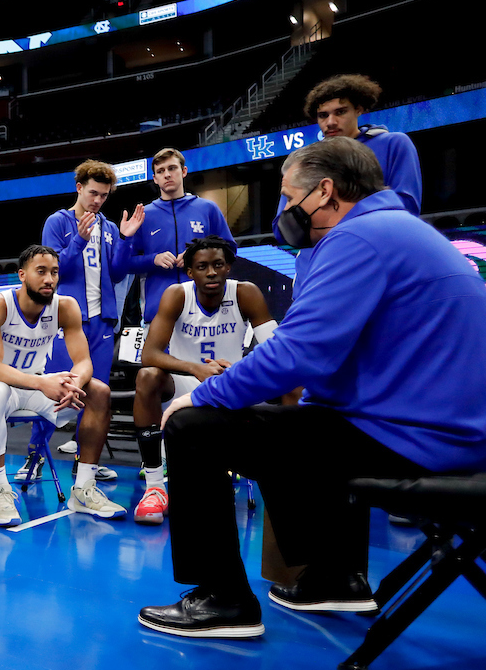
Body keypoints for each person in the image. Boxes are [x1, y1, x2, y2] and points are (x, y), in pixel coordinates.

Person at [137, 138, 486, 640]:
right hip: (454, 436)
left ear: (325, 192)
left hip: (416, 441)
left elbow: (298, 353)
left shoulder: (357, 238)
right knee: (300, 423)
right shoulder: (405, 230)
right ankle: (333, 576)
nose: (283, 209)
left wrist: (203, 394)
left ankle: (223, 598)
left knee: (194, 427)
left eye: (287, 196)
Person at [0, 245, 124, 527]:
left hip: (35, 386)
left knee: (99, 392)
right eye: (41, 272)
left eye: (54, 272)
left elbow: (83, 362)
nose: (49, 279)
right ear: (22, 275)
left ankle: (83, 488)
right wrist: (42, 383)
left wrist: (75, 383)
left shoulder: (65, 306)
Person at [131, 236, 277, 526]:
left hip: (231, 385)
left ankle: (292, 476)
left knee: (291, 384)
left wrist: (239, 369)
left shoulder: (246, 293)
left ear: (228, 268)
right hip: (185, 384)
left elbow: (276, 350)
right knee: (147, 377)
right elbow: (149, 354)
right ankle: (155, 489)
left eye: (218, 265)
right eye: (202, 266)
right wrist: (194, 368)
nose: (211, 272)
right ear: (190, 272)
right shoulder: (177, 294)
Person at [37, 159, 144, 482]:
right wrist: (79, 240)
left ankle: (88, 462)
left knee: (97, 393)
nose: (98, 201)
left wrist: (125, 239)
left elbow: (117, 273)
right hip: (68, 322)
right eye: (93, 193)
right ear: (79, 188)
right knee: (52, 390)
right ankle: (35, 454)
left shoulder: (110, 228)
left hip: (102, 321)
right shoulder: (57, 222)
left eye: (104, 195)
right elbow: (52, 272)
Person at [274, 74, 422, 288]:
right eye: (323, 115)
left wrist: (318, 211)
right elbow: (283, 229)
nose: (330, 122)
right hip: (314, 276)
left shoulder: (394, 144)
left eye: (340, 112)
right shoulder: (304, 159)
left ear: (359, 109)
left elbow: (407, 211)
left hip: (374, 271)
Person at [125, 148, 236, 326]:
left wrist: (197, 255)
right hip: (159, 314)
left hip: (205, 311)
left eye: (172, 168)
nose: (167, 175)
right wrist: (153, 259)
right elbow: (127, 264)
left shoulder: (207, 209)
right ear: (155, 179)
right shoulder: (143, 215)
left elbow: (230, 249)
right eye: (160, 171)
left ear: (183, 172)